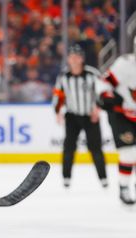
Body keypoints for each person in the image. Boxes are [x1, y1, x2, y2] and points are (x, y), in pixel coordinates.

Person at [52, 44, 107, 189]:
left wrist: (98, 108)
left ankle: (103, 178)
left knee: (95, 148)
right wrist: (58, 112)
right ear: (68, 59)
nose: (74, 60)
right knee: (69, 148)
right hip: (72, 116)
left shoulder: (92, 74)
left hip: (90, 116)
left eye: (77, 57)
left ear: (82, 58)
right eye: (71, 57)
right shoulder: (64, 76)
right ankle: (66, 178)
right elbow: (58, 96)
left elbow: (103, 92)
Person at [98, 36, 136, 205]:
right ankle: (124, 187)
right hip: (121, 114)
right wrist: (105, 96)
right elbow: (104, 84)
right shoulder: (125, 64)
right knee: (129, 152)